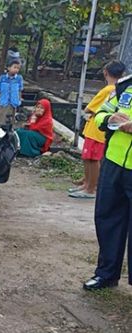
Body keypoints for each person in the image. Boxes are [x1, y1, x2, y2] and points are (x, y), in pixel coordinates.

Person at [83, 71, 132, 291]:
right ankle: (106, 273)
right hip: (113, 163)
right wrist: (110, 119)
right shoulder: (125, 87)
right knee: (107, 218)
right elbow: (102, 112)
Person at [69, 61, 126, 199]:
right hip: (96, 129)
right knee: (88, 158)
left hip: (96, 129)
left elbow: (90, 108)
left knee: (92, 159)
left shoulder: (108, 90)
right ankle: (87, 184)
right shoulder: (118, 89)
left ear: (105, 72)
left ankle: (90, 188)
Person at [0, 59, 24, 126]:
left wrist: (19, 99)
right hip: (3, 101)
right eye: (14, 67)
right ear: (9, 68)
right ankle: (0, 130)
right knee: (1, 117)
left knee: (10, 119)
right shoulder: (2, 78)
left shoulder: (19, 78)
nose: (16, 69)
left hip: (14, 102)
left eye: (18, 68)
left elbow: (20, 90)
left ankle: (9, 131)